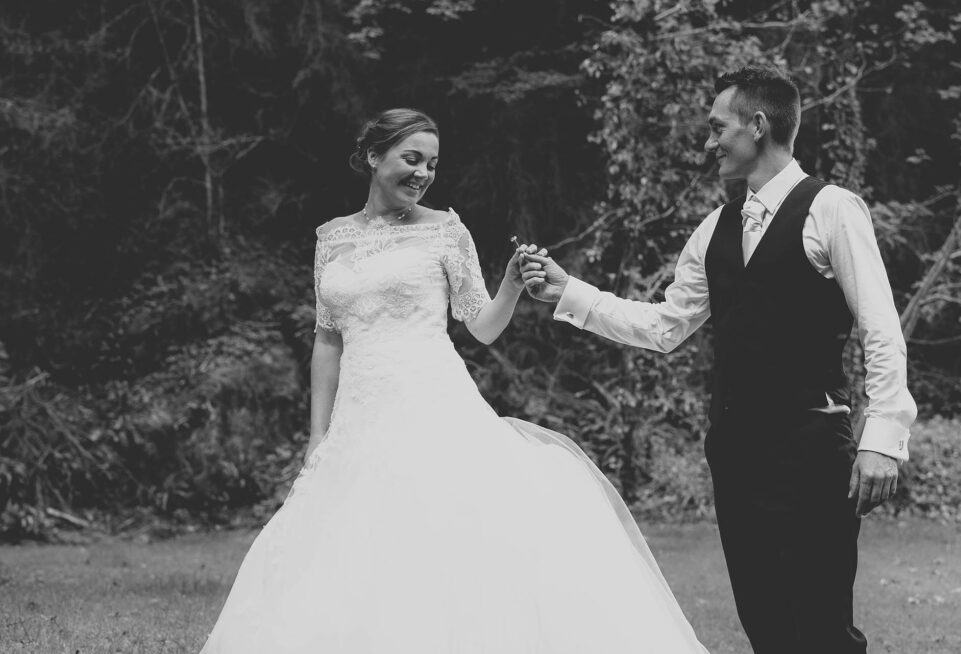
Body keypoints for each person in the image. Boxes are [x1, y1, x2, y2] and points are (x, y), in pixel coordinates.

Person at [198, 108, 708, 653]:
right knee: (349, 542)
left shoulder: (446, 230)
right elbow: (328, 339)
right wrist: (316, 436)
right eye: (411, 159)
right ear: (373, 157)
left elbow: (482, 328)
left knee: (441, 534)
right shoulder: (332, 238)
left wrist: (511, 284)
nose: (422, 174)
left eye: (432, 164)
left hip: (432, 404)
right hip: (358, 416)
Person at [519, 65, 917, 654]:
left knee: (822, 626)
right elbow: (663, 326)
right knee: (765, 622)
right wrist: (568, 292)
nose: (708, 142)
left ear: (756, 126)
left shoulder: (832, 209)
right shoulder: (713, 229)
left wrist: (883, 435)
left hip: (811, 444)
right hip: (735, 450)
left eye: (716, 127)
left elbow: (881, 328)